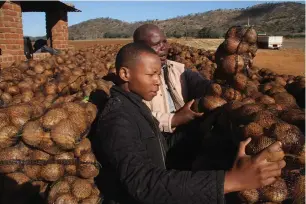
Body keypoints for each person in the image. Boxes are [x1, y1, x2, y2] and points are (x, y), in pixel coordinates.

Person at [91, 42, 286, 204]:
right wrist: (231, 181)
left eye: (159, 74)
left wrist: (198, 129)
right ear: (125, 74)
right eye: (151, 74)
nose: (158, 81)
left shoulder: (135, 105)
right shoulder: (117, 118)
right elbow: (143, 183)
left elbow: (157, 148)